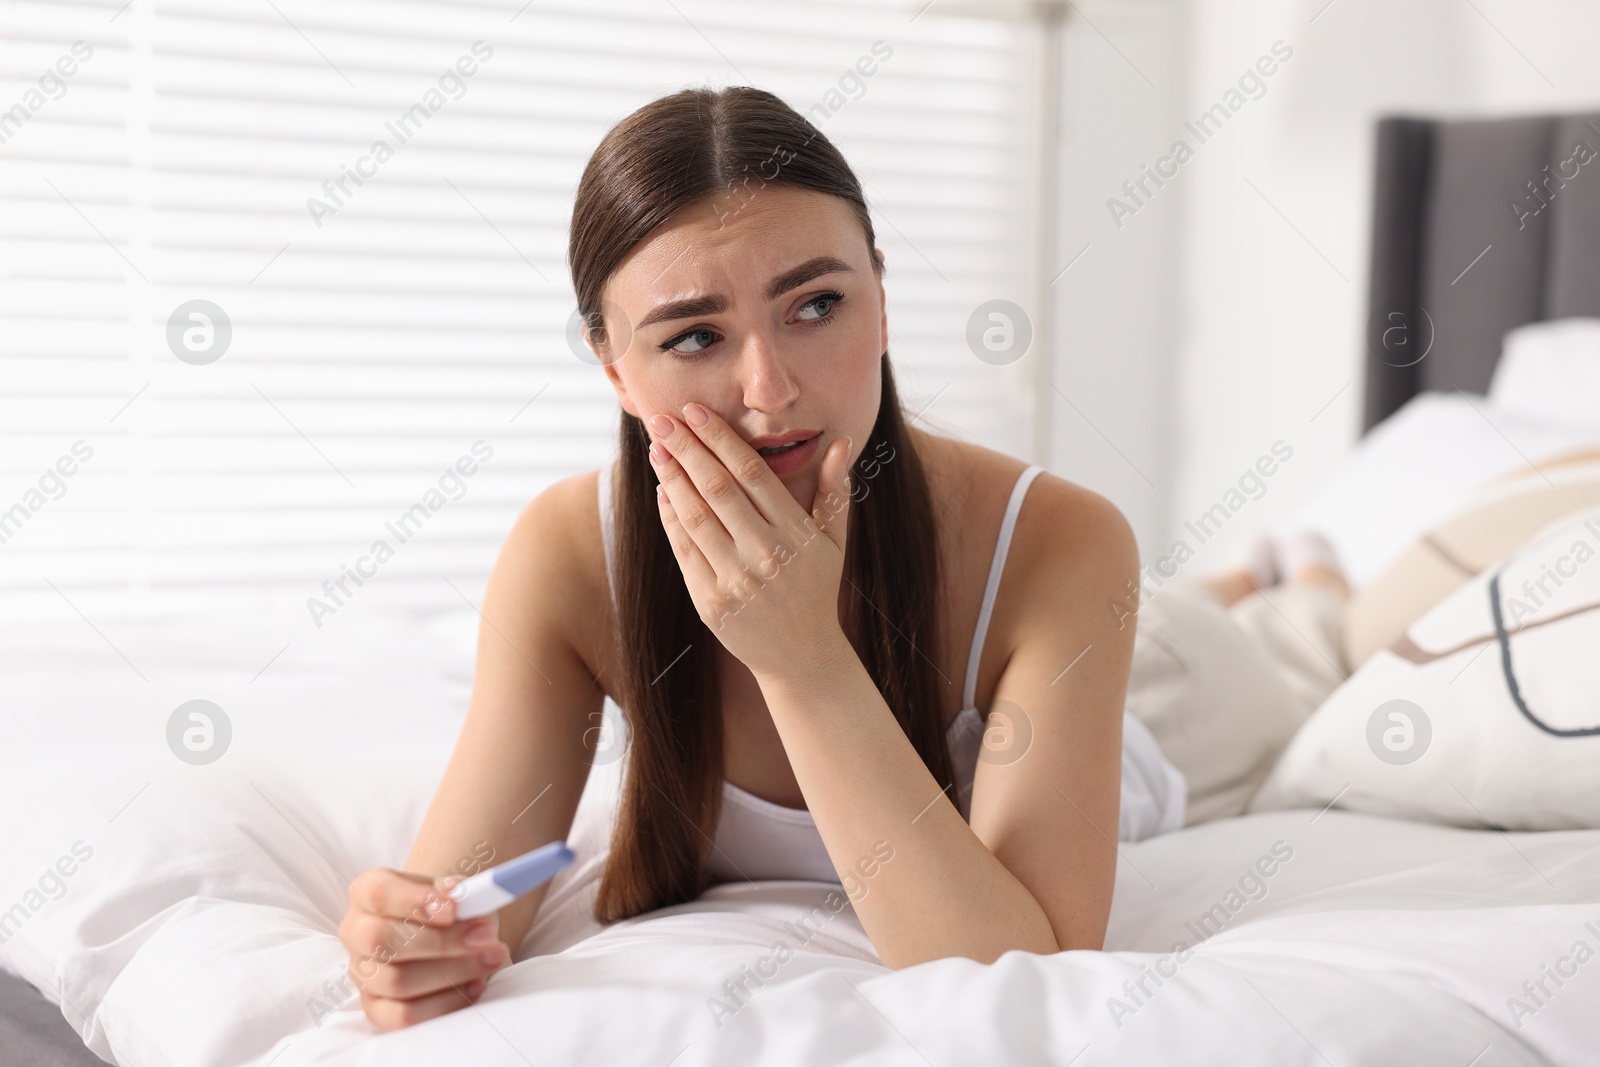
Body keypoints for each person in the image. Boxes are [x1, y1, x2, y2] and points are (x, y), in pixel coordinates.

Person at [337, 84, 1186, 1031]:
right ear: (614, 367)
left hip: (1162, 727)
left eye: (817, 305)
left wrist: (801, 654)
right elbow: (459, 908)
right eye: (696, 335)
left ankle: (1291, 580)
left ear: (884, 301)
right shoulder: (570, 556)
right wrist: (411, 942)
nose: (769, 391)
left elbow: (1027, 977)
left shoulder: (1062, 542)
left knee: (1243, 651)